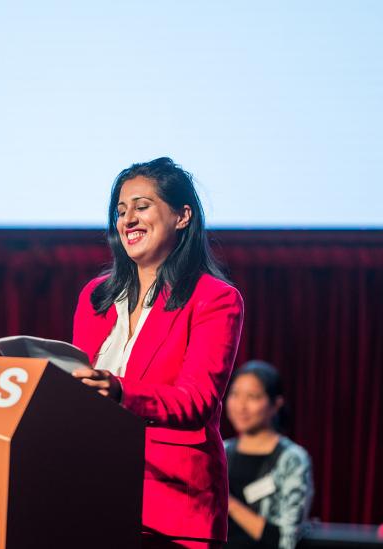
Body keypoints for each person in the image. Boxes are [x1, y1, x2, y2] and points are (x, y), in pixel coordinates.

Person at [71, 157, 244, 546]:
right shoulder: (96, 297)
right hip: (90, 494)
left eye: (142, 206)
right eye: (120, 210)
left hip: (172, 507)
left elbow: (196, 400)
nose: (128, 219)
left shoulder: (214, 299)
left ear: (182, 216)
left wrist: (119, 392)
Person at [224, 360, 313, 549]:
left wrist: (228, 503)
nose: (241, 406)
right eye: (235, 394)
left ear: (276, 404)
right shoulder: (221, 451)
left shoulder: (291, 459)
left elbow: (287, 539)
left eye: (253, 397)